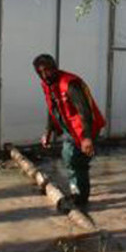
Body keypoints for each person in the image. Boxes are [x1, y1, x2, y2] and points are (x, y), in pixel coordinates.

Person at [33, 54, 106, 207]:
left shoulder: (70, 84)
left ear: (55, 67)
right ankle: (77, 193)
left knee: (76, 161)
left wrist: (87, 138)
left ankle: (80, 198)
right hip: (70, 128)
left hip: (85, 127)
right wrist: (48, 132)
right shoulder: (47, 85)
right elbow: (52, 109)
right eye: (40, 72)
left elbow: (85, 111)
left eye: (48, 70)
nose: (45, 75)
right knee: (69, 158)